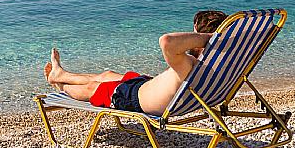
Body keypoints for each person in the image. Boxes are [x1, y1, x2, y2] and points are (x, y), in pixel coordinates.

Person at [44, 10, 227, 116]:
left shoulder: (190, 64)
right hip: (147, 84)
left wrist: (209, 38)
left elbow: (166, 42)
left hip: (134, 98)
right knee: (107, 75)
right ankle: (61, 74)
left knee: (94, 87)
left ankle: (61, 85)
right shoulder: (221, 65)